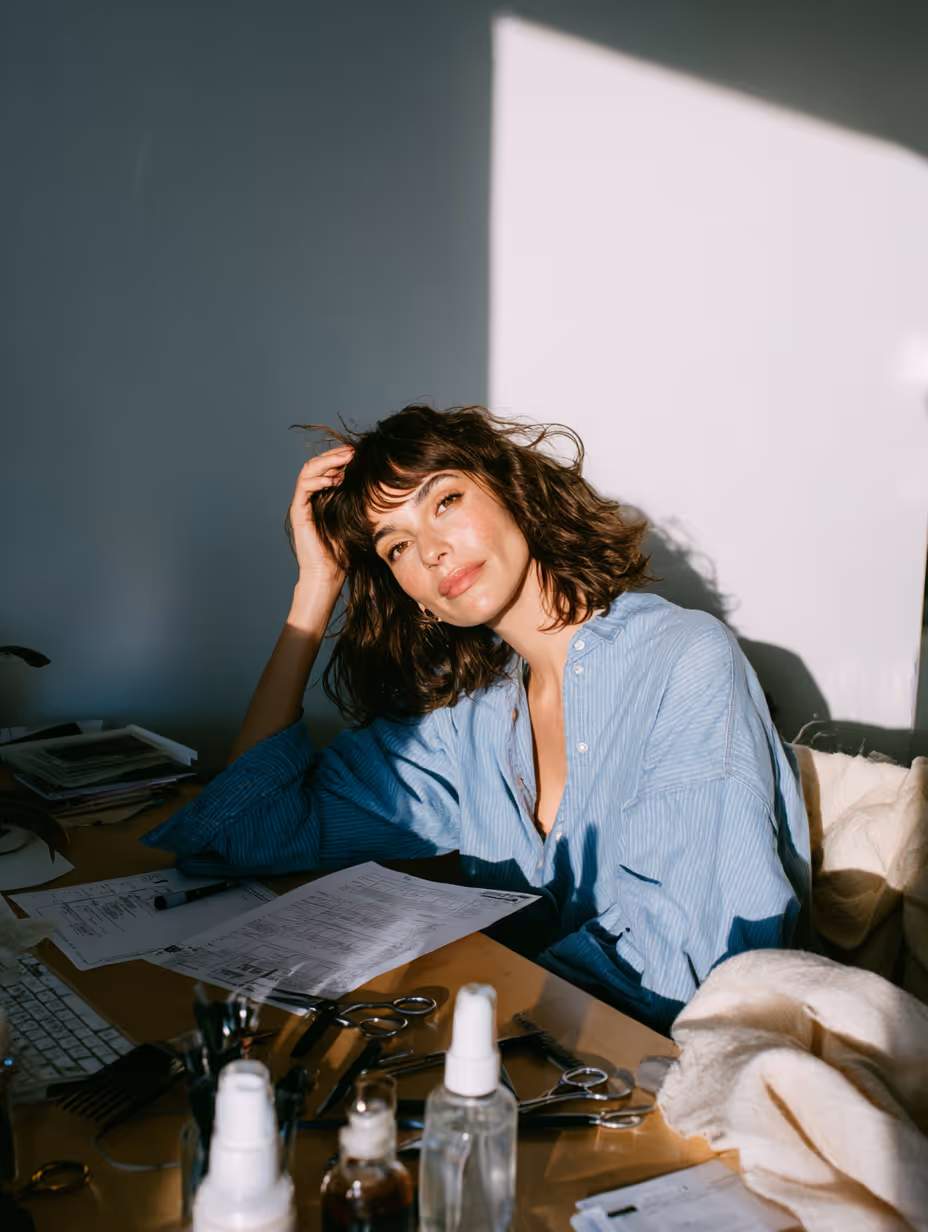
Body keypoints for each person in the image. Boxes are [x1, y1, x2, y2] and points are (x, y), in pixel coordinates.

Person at [143, 404, 811, 1034]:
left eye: (444, 501)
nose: (430, 550)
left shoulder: (684, 661)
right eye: (395, 547)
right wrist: (314, 589)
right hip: (513, 1069)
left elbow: (682, 964)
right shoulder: (470, 715)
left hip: (647, 1082)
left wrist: (457, 1024)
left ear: (511, 489)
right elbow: (242, 829)